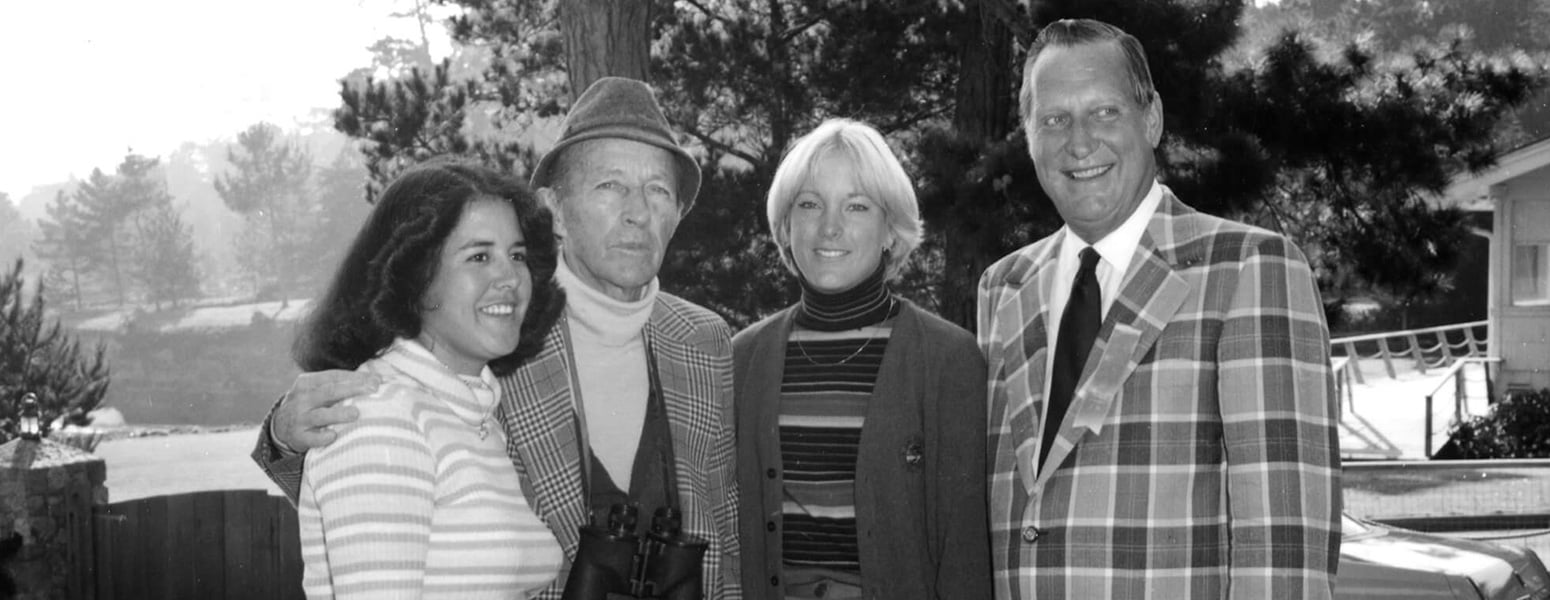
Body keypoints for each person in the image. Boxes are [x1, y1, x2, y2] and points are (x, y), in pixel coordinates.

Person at [252, 77, 742, 600]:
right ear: (554, 208)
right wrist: (283, 436)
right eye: (610, 186)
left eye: (658, 191)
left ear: (677, 214)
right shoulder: (496, 334)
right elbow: (376, 488)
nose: (638, 212)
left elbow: (725, 528)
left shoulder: (704, 339)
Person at [976, 19, 1341, 599]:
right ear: (1028, 136)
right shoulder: (1003, 286)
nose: (1078, 141)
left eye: (1104, 112)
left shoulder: (1249, 267)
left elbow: (1284, 546)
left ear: (1152, 120)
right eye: (1053, 119)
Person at [734, 118, 990, 600]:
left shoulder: (949, 362)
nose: (830, 226)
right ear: (786, 227)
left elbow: (966, 555)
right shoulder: (743, 359)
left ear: (891, 231)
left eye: (856, 206)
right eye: (810, 204)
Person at [293, 160, 565, 598]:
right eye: (479, 256)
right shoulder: (382, 418)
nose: (510, 277)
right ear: (415, 279)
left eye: (516, 255)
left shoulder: (467, 411)